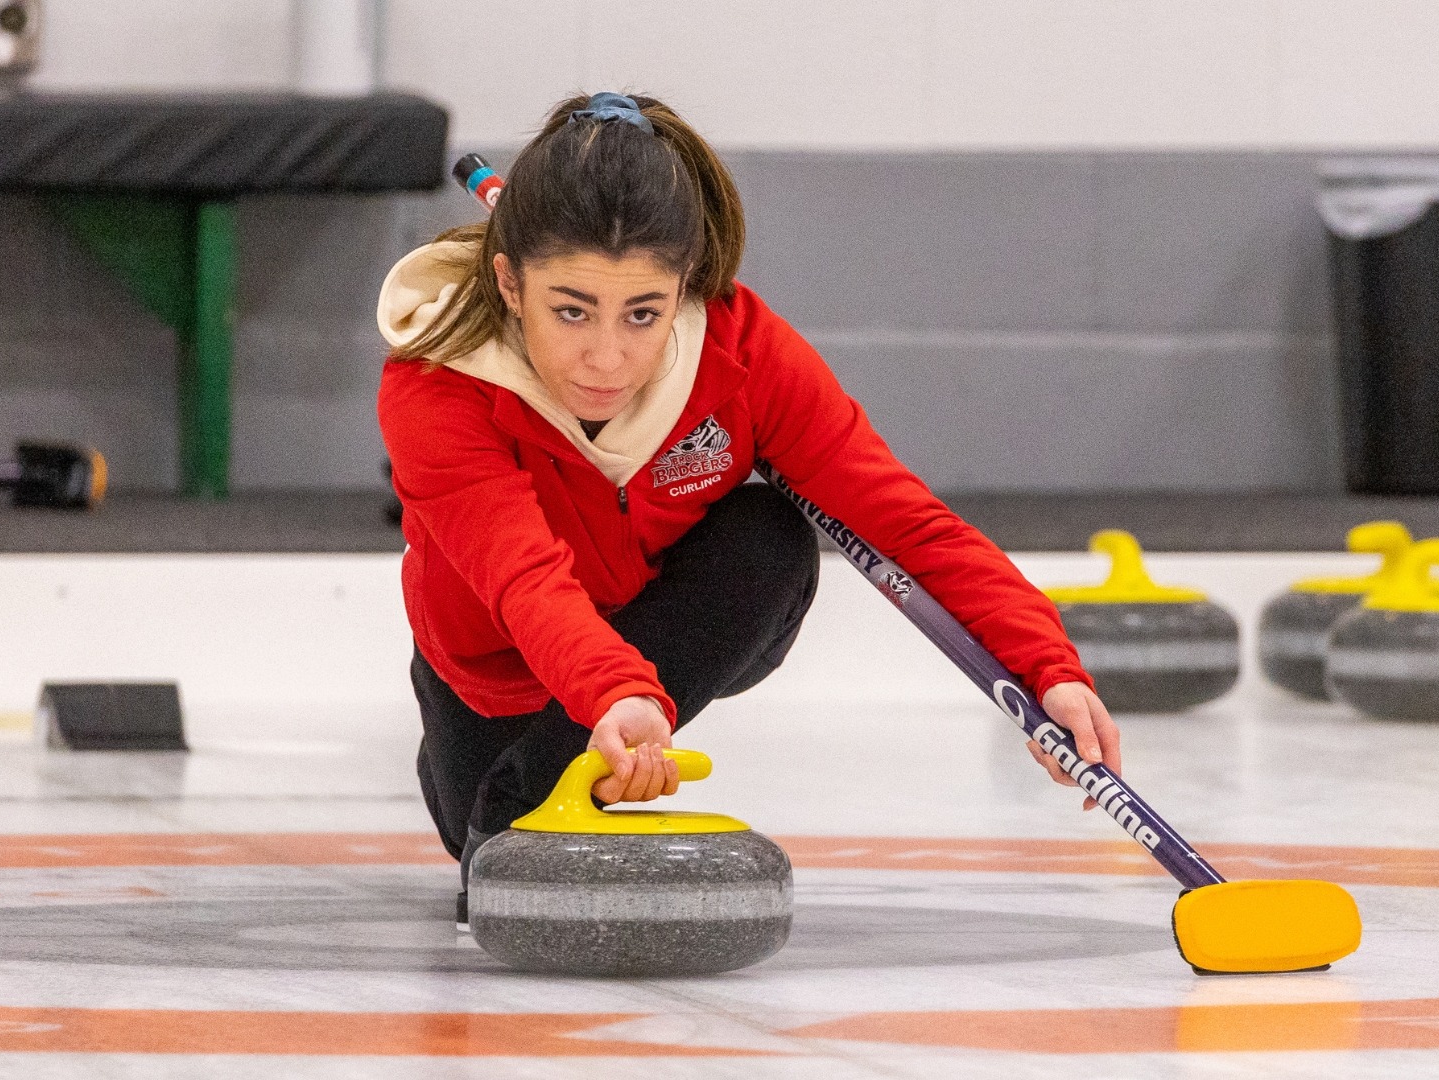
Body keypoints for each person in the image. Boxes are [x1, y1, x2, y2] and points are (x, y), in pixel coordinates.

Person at [376, 92, 1120, 911]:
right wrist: (617, 695)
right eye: (571, 311)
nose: (606, 358)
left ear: (686, 288)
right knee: (470, 820)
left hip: (654, 631)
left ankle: (523, 793)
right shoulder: (436, 382)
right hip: (500, 662)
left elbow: (904, 521)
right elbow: (522, 577)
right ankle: (490, 770)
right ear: (510, 284)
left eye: (644, 314)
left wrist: (1047, 667)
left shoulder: (742, 351)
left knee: (767, 532)